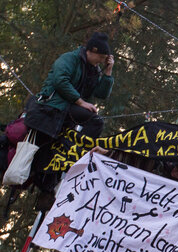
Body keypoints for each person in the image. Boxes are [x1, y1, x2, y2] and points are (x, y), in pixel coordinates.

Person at [50, 147, 178, 252]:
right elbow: (134, 154)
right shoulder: (165, 162)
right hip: (123, 203)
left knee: (112, 242)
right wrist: (108, 153)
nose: (174, 173)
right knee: (93, 224)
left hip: (141, 221)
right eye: (176, 168)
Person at [24, 32, 115, 211]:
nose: (101, 61)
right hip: (53, 106)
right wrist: (81, 102)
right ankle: (74, 151)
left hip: (69, 112)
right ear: (92, 51)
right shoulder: (69, 58)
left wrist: (108, 71)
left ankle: (73, 151)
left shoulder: (94, 70)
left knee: (95, 121)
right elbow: (60, 81)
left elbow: (102, 94)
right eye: (101, 57)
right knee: (94, 121)